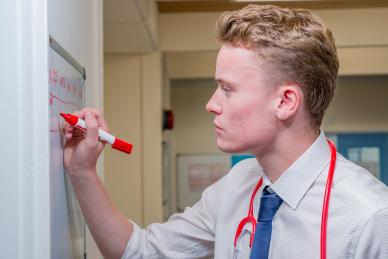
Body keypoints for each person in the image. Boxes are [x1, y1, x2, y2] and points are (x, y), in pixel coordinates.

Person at [64, 4, 388, 259]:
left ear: (286, 101)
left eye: (227, 89)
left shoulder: (371, 217)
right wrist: (82, 171)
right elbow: (138, 252)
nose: (211, 104)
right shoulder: (238, 184)